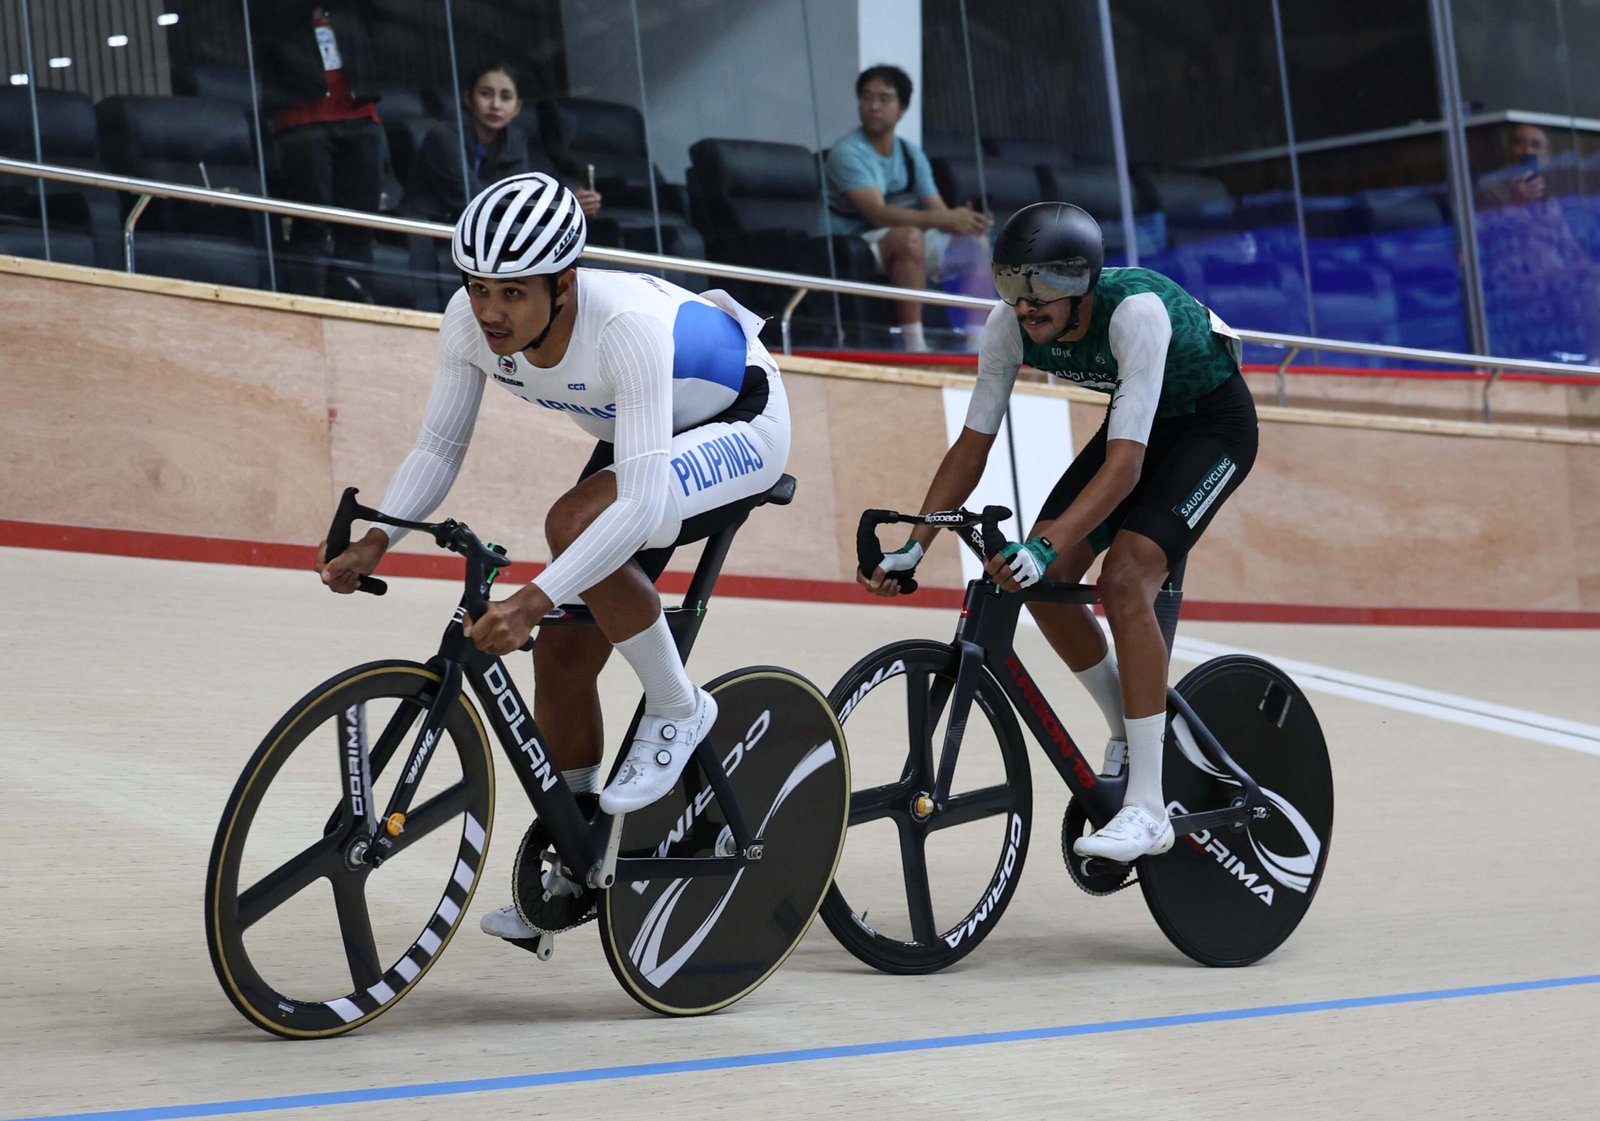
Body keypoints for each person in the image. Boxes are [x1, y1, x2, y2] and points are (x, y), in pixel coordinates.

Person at [317, 172, 790, 939]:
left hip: (742, 416)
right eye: (477, 287)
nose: (490, 311)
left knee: (571, 522)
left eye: (512, 293)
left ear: (562, 284)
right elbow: (438, 447)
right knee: (563, 661)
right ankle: (577, 859)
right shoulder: (467, 324)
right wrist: (380, 538)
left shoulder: (624, 327)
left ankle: (678, 704)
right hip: (648, 425)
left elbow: (639, 507)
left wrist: (532, 598)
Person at [859, 202, 1257, 863]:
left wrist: (1043, 545)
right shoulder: (1008, 327)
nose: (1025, 304)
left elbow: (1125, 469)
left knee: (1124, 577)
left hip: (1211, 428)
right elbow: (971, 447)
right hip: (1138, 426)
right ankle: (1129, 724)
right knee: (1044, 583)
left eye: (1042, 286)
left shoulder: (1135, 312)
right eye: (1010, 284)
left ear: (1083, 283)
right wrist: (915, 544)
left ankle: (1148, 809)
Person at [825, 64, 989, 353]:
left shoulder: (911, 154)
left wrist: (966, 222)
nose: (873, 107)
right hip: (852, 242)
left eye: (884, 99)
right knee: (910, 237)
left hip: (899, 239)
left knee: (974, 243)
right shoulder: (847, 152)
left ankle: (977, 342)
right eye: (866, 98)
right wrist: (947, 218)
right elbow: (877, 215)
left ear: (902, 109)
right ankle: (914, 345)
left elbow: (940, 213)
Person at [251, 3, 384, 301]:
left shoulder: (347, 13)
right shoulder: (279, 16)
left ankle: (358, 309)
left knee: (360, 226)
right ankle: (307, 307)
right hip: (301, 120)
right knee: (311, 224)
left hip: (359, 114)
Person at [401, 62, 603, 225]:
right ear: (468, 99)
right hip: (430, 235)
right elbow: (478, 206)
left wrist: (570, 206)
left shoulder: (514, 138)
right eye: (485, 94)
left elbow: (518, 198)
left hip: (481, 235)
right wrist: (561, 208)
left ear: (517, 108)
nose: (495, 105)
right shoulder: (444, 137)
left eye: (506, 97)